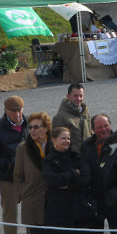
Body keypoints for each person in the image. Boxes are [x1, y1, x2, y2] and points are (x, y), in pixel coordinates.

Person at [79, 114, 117, 231]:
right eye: (99, 127)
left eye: (106, 125)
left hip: (115, 201)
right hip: (95, 201)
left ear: (110, 125)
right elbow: (83, 170)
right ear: (93, 129)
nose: (104, 129)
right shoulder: (86, 146)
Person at [42, 127, 91, 232]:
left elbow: (85, 178)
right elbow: (52, 180)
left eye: (68, 138)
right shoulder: (48, 160)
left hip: (76, 208)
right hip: (56, 209)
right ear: (54, 140)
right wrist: (73, 174)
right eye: (63, 138)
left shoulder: (77, 157)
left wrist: (68, 185)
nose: (67, 141)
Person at [14, 112, 51, 234]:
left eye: (36, 127)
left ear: (46, 128)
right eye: (30, 127)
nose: (32, 130)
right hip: (32, 200)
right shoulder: (23, 148)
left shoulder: (55, 144)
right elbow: (17, 176)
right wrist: (23, 192)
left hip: (53, 200)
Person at [0, 96, 27, 234]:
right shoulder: (1, 127)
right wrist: (10, 165)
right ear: (5, 110)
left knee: (32, 212)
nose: (17, 114)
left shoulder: (29, 124)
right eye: (13, 111)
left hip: (28, 176)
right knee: (10, 215)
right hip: (8, 178)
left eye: (19, 110)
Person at [52, 83, 91, 153]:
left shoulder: (86, 113)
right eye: (75, 96)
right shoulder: (60, 117)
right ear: (68, 96)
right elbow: (57, 143)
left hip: (88, 155)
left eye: (80, 96)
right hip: (72, 158)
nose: (78, 99)